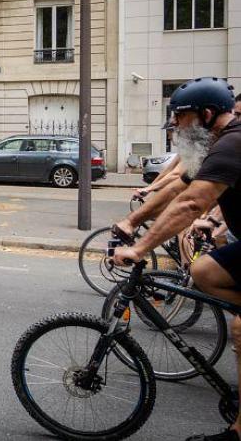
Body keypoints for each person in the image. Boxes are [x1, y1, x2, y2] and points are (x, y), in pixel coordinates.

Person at [108, 78, 241, 441]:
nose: (175, 126)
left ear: (207, 114)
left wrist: (140, 247)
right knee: (203, 271)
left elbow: (191, 203)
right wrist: (132, 221)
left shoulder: (232, 144)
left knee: (240, 330)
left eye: (180, 118)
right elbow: (178, 186)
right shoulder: (215, 145)